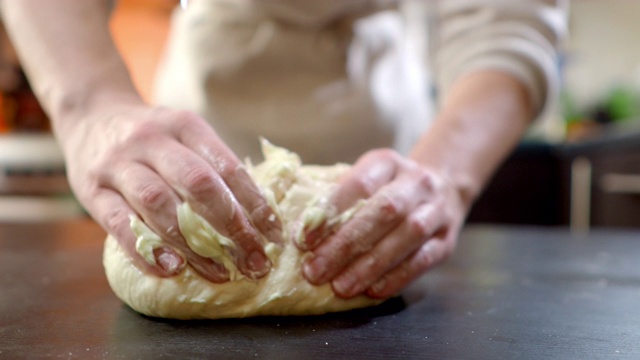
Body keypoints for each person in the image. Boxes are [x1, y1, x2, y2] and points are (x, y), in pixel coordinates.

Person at [0, 0, 567, 299]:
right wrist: (90, 106)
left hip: (383, 141)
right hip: (198, 111)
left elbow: (506, 23)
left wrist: (443, 175)